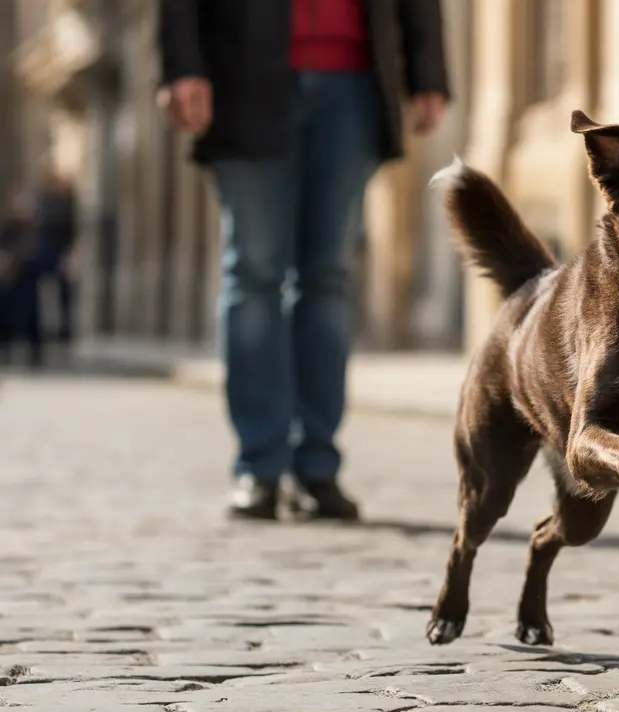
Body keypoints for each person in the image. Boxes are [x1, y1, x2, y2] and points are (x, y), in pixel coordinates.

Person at [156, 0, 452, 521]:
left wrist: (427, 69)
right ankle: (258, 465)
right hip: (243, 74)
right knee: (253, 271)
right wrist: (181, 65)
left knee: (328, 276)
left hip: (354, 81)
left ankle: (317, 466)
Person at [34, 164, 79, 359]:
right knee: (40, 293)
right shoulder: (44, 201)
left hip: (61, 252)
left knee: (65, 295)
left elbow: (72, 231)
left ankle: (64, 336)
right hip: (45, 251)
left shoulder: (68, 202)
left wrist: (70, 254)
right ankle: (40, 335)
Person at [0, 191, 42, 367]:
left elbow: (38, 252)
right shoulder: (8, 228)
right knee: (7, 315)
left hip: (27, 278)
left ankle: (34, 353)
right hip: (10, 280)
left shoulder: (35, 229)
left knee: (30, 315)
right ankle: (6, 348)